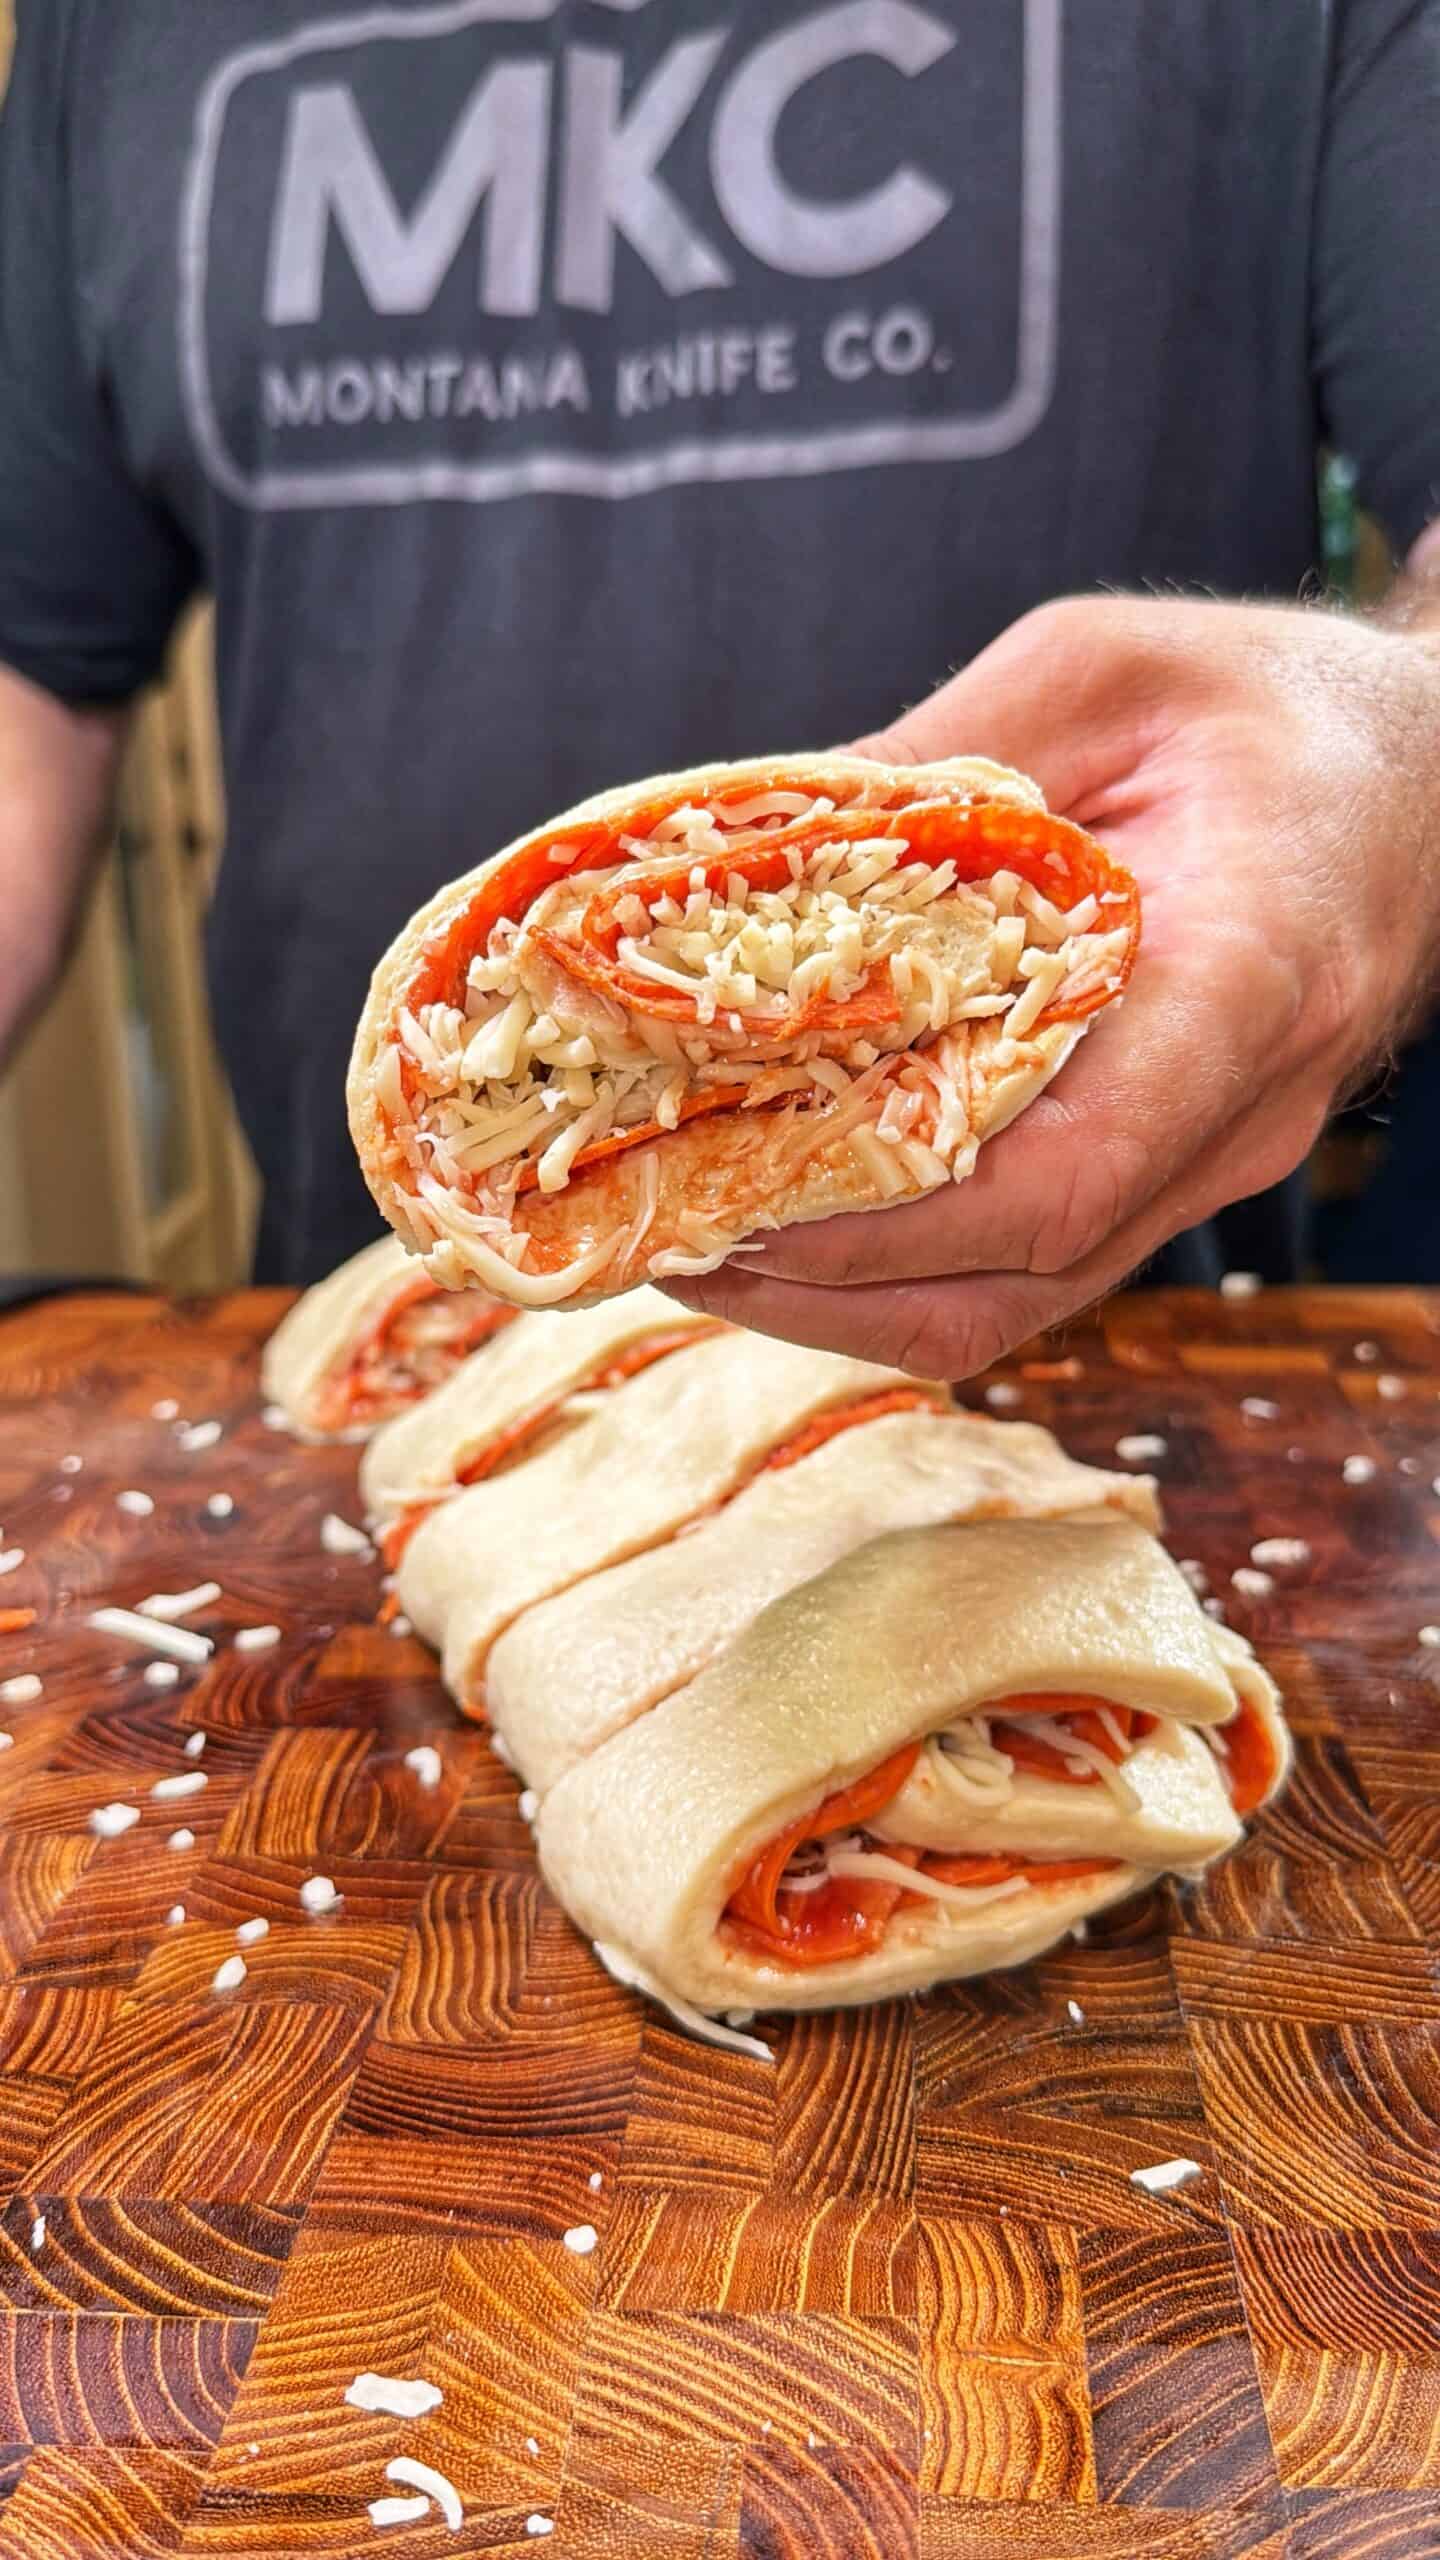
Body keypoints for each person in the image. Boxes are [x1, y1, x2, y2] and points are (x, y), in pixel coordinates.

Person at [1, 2, 1437, 1377]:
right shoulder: (109, 28)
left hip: (1120, 1359)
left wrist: (1392, 759)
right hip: (381, 1351)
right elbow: (27, 696)